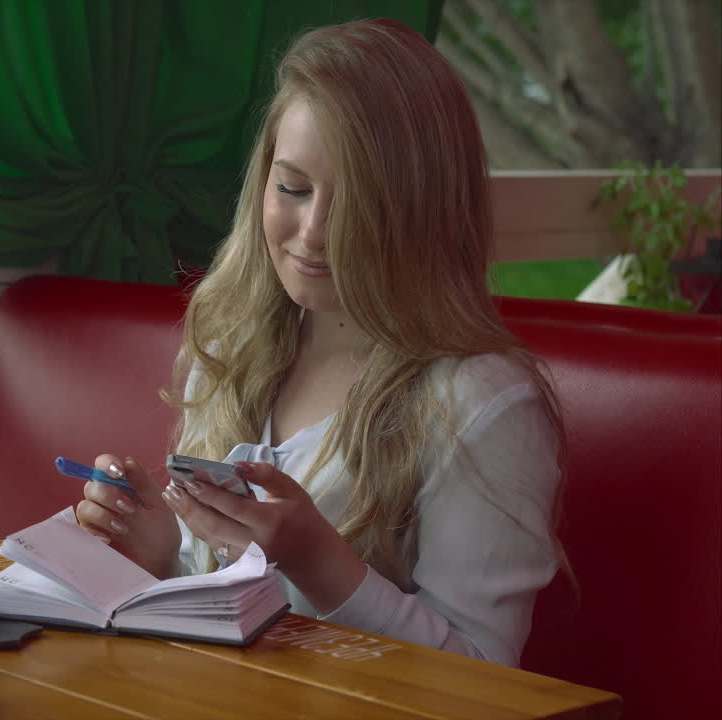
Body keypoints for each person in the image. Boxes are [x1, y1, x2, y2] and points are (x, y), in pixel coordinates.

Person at [74, 18, 565, 668]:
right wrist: (159, 557)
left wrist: (319, 563)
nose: (312, 233)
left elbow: (485, 680)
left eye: (356, 204)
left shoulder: (484, 403)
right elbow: (232, 636)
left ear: (422, 212)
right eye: (293, 188)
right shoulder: (233, 346)